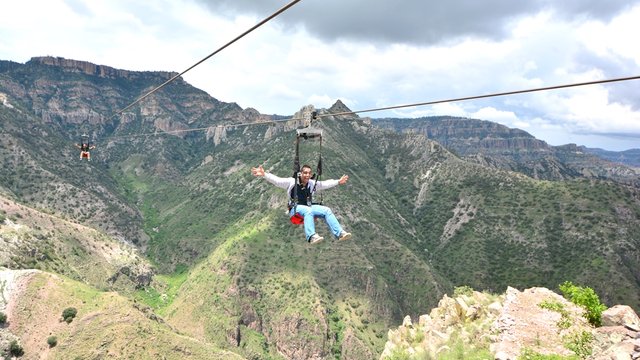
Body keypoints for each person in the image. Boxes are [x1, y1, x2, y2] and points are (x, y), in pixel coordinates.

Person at [251, 164, 352, 244]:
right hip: (295, 209)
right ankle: (311, 236)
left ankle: (339, 233)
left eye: (309, 173)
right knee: (308, 211)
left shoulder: (311, 184)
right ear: (300, 173)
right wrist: (265, 174)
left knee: (326, 210)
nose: (307, 175)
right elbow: (277, 181)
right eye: (305, 173)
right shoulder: (292, 182)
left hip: (308, 207)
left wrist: (338, 181)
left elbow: (324, 184)